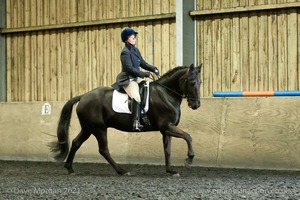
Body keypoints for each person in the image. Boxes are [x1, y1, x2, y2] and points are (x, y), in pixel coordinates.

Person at [112, 28, 159, 131]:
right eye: (132, 37)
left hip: (136, 77)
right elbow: (129, 68)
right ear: (126, 39)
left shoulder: (135, 50)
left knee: (150, 86)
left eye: (134, 37)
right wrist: (144, 73)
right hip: (128, 79)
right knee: (136, 96)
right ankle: (135, 122)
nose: (134, 38)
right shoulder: (125, 52)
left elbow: (143, 63)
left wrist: (153, 69)